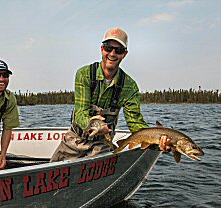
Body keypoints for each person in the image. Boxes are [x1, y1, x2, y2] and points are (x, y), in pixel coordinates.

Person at [50, 27, 169, 162]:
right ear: (102, 49)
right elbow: (81, 112)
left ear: (124, 54)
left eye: (118, 50)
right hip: (74, 140)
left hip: (103, 145)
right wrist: (95, 125)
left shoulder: (130, 86)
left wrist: (159, 143)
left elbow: (135, 124)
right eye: (108, 48)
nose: (112, 53)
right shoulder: (84, 74)